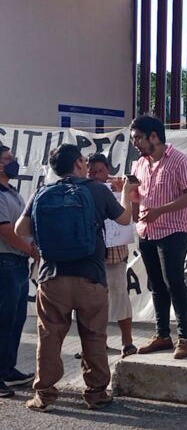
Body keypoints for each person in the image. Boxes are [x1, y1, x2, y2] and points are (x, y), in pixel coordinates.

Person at [14, 144, 134, 411]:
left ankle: (44, 395)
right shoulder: (96, 190)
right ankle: (96, 393)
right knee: (93, 335)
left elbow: (21, 229)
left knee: (49, 337)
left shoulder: (43, 192)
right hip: (90, 275)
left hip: (52, 276)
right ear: (80, 163)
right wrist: (126, 192)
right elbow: (125, 219)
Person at [128, 115, 187, 360]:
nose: (135, 143)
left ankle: (185, 338)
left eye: (138, 137)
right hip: (146, 232)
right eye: (133, 139)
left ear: (154, 136)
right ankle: (162, 335)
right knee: (156, 286)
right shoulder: (139, 164)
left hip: (173, 232)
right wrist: (131, 199)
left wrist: (160, 210)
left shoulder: (179, 161)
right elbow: (138, 194)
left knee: (174, 283)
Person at [88, 153, 137, 358]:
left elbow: (130, 212)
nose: (97, 175)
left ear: (108, 169)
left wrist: (123, 192)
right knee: (91, 302)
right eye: (92, 172)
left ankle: (127, 341)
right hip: (92, 256)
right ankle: (97, 343)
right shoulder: (83, 190)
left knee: (120, 297)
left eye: (100, 171)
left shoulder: (119, 187)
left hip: (115, 254)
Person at [0, 146, 37, 398]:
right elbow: (5, 230)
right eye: (7, 159)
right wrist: (31, 249)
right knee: (3, 320)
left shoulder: (11, 191)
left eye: (13, 158)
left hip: (18, 263)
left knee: (15, 319)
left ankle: (7, 369)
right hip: (5, 262)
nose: (13, 163)